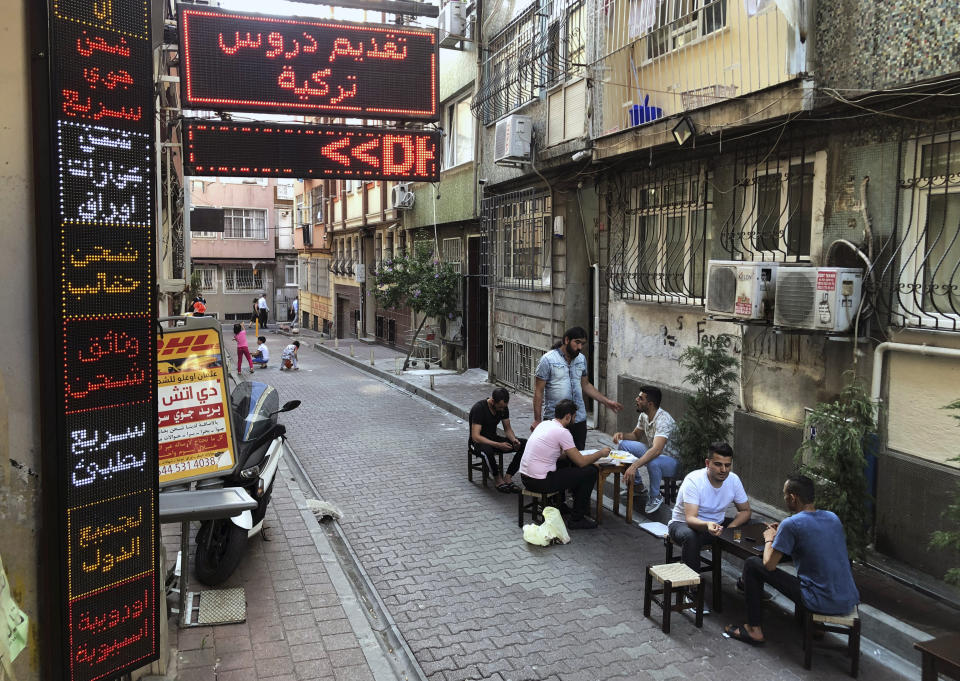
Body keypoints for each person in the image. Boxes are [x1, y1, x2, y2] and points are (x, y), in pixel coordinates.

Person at [724, 475, 860, 646]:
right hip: (848, 599)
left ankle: (754, 630)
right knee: (818, 568)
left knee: (753, 564)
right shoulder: (832, 518)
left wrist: (770, 538)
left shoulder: (791, 524)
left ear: (793, 497)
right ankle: (816, 625)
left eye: (784, 494)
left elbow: (769, 564)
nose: (784, 498)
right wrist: (784, 532)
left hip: (818, 601)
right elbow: (815, 543)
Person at [519, 399, 610, 530]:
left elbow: (556, 454)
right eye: (574, 417)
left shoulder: (544, 424)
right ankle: (577, 518)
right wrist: (600, 453)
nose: (574, 420)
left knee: (565, 463)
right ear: (568, 417)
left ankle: (559, 504)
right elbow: (581, 462)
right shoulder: (563, 432)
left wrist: (571, 455)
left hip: (526, 478)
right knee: (590, 471)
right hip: (541, 481)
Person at [532, 326, 622, 449]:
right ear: (567, 340)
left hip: (578, 419)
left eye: (582, 344)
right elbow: (538, 391)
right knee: (557, 459)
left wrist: (606, 402)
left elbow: (585, 385)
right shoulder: (548, 360)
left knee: (579, 457)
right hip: (556, 420)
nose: (580, 347)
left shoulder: (581, 359)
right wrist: (537, 420)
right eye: (577, 342)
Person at [667, 442, 751, 573]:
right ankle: (691, 588)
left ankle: (745, 581)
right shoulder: (694, 480)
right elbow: (690, 519)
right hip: (683, 525)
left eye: (727, 465)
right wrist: (708, 525)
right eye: (718, 464)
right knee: (690, 537)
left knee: (755, 525)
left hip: (718, 526)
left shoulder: (733, 480)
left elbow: (745, 511)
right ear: (707, 463)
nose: (723, 470)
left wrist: (731, 528)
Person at [613, 386, 681, 515]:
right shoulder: (644, 415)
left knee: (653, 460)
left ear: (650, 404)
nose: (636, 399)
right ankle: (637, 487)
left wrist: (634, 465)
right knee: (624, 445)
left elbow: (656, 450)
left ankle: (655, 497)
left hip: (673, 463)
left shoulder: (663, 420)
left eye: (640, 398)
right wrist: (622, 435)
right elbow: (636, 436)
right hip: (657, 454)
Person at [468, 387, 527, 493]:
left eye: (504, 407)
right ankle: (498, 479)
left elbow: (507, 429)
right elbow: (475, 436)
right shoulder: (479, 408)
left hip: (494, 438)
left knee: (525, 444)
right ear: (492, 401)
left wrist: (514, 440)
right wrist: (498, 445)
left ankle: (508, 476)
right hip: (478, 443)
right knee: (488, 451)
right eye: (500, 407)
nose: (502, 410)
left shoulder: (503, 408)